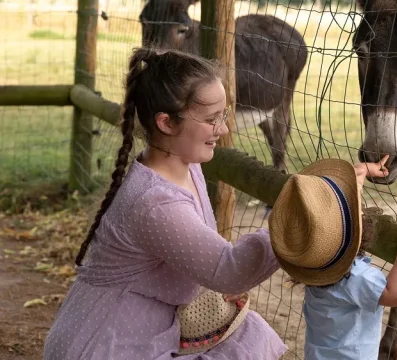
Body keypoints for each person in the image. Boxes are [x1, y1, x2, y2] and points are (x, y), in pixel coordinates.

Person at [43, 48, 288, 360]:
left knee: (248, 336)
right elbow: (229, 270)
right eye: (212, 119)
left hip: (140, 335)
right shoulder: (154, 202)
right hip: (104, 344)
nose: (224, 129)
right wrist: (292, 227)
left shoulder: (187, 167)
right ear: (166, 123)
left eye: (224, 116)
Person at [267, 155, 397, 360]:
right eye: (358, 212)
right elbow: (395, 293)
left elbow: (337, 211)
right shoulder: (353, 278)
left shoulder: (315, 267)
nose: (360, 212)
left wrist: (361, 172)